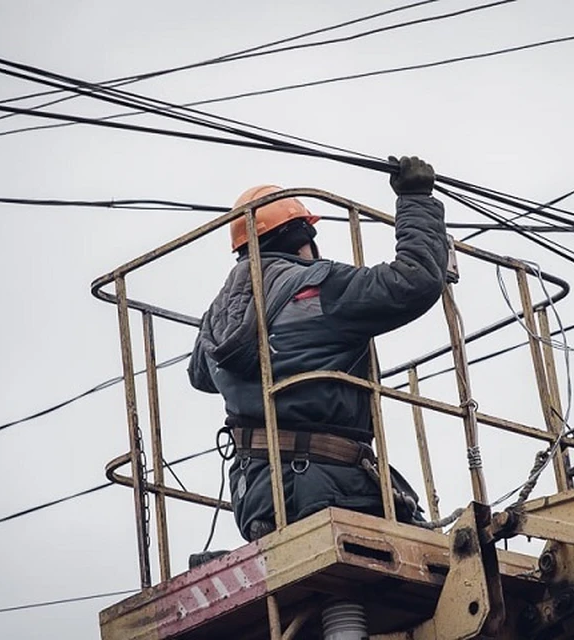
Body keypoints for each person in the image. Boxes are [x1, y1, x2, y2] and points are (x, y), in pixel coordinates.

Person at [188, 156, 448, 548]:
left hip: (256, 495)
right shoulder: (319, 287)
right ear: (301, 239)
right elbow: (415, 281)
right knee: (434, 552)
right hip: (329, 483)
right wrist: (416, 199)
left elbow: (200, 375)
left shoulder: (218, 313)